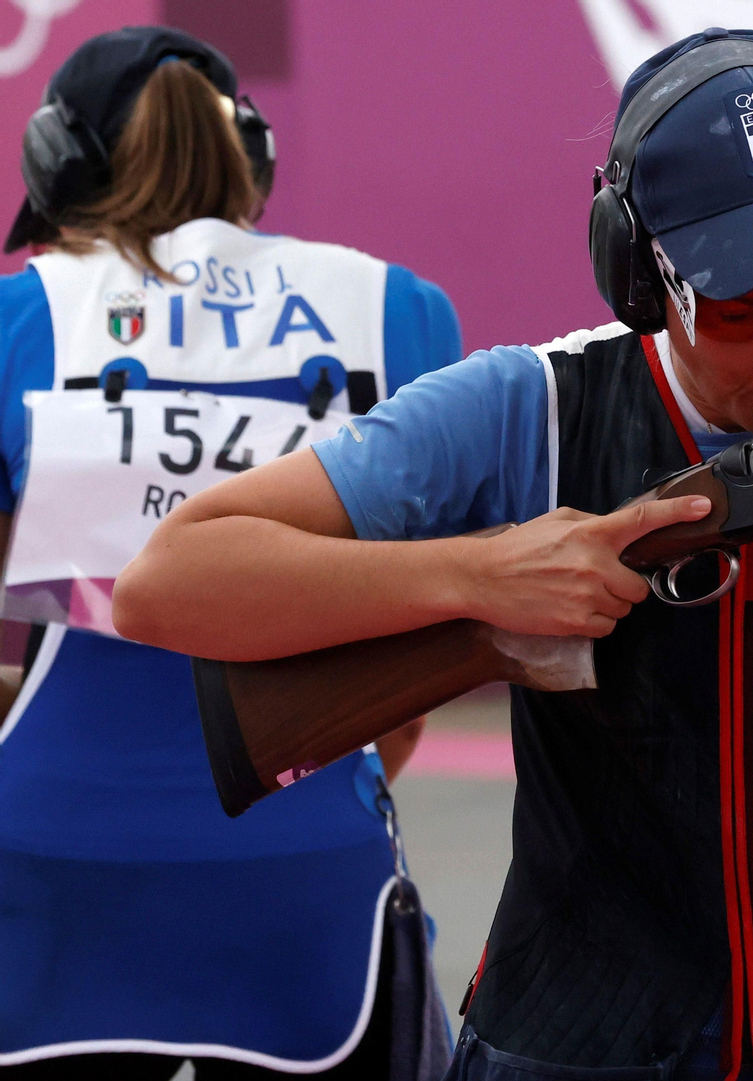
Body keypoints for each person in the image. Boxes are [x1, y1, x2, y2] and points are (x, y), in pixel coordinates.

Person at [116, 28, 753, 1081]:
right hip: (578, 1043)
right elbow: (170, 583)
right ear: (642, 273)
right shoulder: (532, 410)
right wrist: (479, 576)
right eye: (742, 310)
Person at [0, 28, 461, 1080]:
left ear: (61, 175)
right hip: (302, 865)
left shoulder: (18, 315)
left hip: (48, 860)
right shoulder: (398, 312)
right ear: (252, 158)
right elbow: (415, 659)